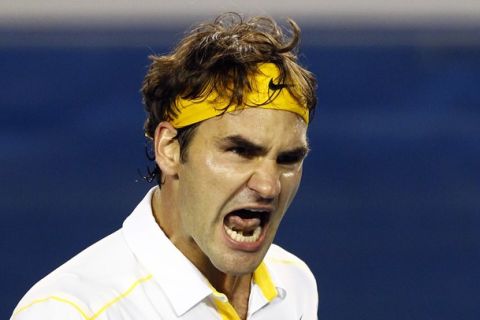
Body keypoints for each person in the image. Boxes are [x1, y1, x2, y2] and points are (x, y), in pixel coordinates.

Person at [11, 12, 318, 320]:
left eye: (288, 159)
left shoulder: (293, 282)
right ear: (169, 149)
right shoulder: (69, 311)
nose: (268, 186)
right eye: (239, 151)